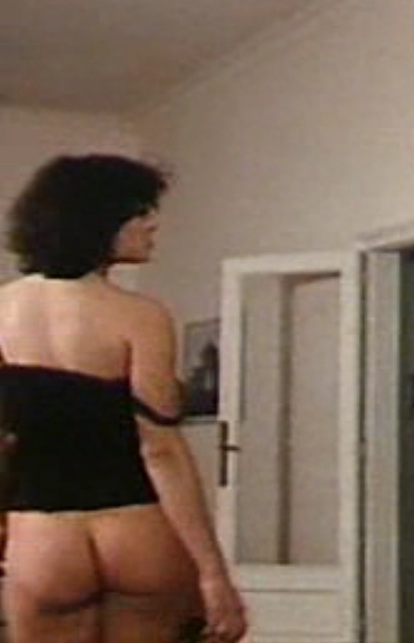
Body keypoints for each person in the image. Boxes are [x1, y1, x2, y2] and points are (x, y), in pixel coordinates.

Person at [0, 154, 247, 642]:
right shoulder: (140, 315)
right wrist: (214, 574)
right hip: (137, 527)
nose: (152, 223)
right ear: (96, 221)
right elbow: (161, 450)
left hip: (42, 536)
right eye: (138, 211)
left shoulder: (3, 309)